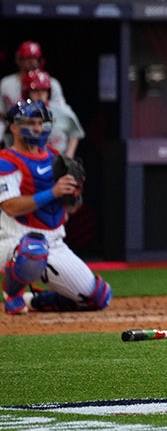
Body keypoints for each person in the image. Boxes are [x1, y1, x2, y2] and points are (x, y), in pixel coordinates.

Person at [1, 99, 111, 315]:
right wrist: (53, 192)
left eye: (40, 123)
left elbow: (71, 209)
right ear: (14, 127)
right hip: (12, 241)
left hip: (54, 243)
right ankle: (12, 294)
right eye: (30, 122)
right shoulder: (6, 160)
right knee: (33, 249)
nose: (37, 128)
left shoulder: (54, 157)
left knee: (99, 297)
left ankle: (34, 300)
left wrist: (74, 195)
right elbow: (11, 207)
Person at [19, 70, 83, 157]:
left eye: (43, 90)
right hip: (30, 162)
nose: (40, 94)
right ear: (27, 92)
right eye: (35, 91)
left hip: (58, 161)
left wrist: (69, 157)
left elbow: (75, 133)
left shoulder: (62, 110)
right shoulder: (19, 114)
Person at [1, 40, 65, 110]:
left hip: (44, 120)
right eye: (27, 58)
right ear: (18, 60)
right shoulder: (6, 84)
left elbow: (60, 112)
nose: (31, 62)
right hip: (13, 120)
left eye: (34, 58)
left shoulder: (51, 83)